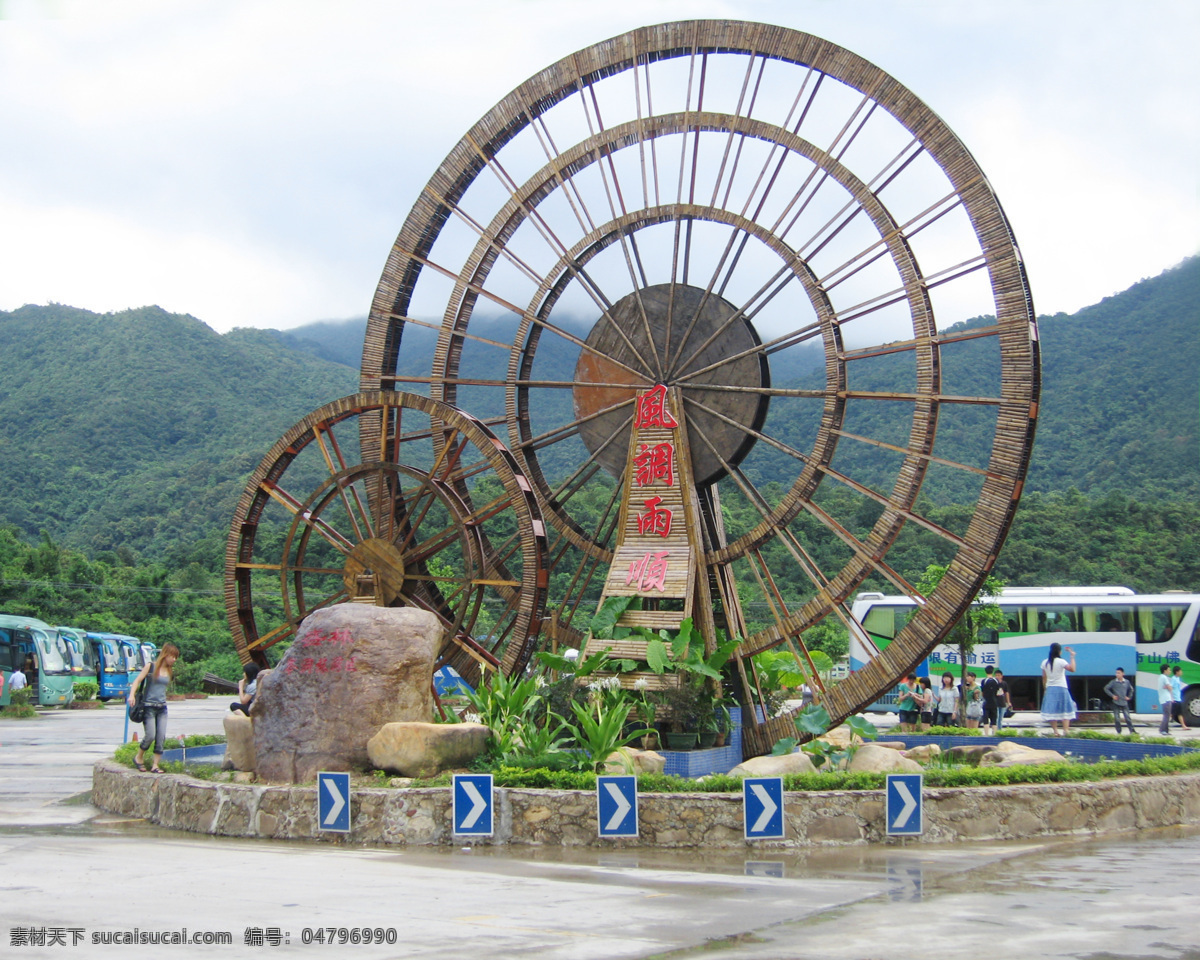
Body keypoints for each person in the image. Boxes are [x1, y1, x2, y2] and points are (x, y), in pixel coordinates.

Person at [128, 642, 180, 773]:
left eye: (175, 657)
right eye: (172, 656)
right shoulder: (151, 667)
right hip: (149, 707)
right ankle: (138, 757)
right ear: (165, 654)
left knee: (161, 736)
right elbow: (138, 680)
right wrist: (132, 695)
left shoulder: (169, 671)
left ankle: (155, 765)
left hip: (162, 707)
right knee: (150, 735)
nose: (174, 660)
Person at [1040, 642, 1077, 736]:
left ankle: (1055, 731)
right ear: (1059, 651)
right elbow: (1072, 669)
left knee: (1052, 710)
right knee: (1065, 709)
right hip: (1061, 687)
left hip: (1050, 688)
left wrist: (1045, 688)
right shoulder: (1061, 661)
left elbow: (1044, 677)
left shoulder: (1045, 662)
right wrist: (1072, 656)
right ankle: (1066, 730)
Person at [1103, 667, 1136, 735]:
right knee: (1117, 719)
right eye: (1116, 673)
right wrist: (1112, 696)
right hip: (1116, 703)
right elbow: (1106, 688)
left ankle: (1132, 731)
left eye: (1119, 673)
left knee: (1127, 718)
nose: (1117, 674)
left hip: (1124, 702)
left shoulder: (1126, 682)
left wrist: (1129, 697)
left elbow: (1131, 689)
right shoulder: (1113, 682)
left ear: (1123, 674)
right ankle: (1119, 732)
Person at [980, 665, 1001, 735]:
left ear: (985, 671)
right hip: (994, 702)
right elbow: (999, 692)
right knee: (994, 719)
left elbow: (982, 692)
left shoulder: (984, 681)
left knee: (985, 719)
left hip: (986, 702)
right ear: (993, 671)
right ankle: (994, 734)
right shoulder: (996, 681)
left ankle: (986, 734)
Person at [1157, 663, 1174, 735]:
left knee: (1166, 714)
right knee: (1167, 715)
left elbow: (1167, 687)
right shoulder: (1164, 677)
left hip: (1163, 699)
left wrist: (1167, 687)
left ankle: (1166, 730)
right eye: (1169, 670)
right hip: (1166, 699)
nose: (1170, 671)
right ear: (1165, 670)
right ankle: (1162, 729)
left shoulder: (1160, 677)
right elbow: (1170, 687)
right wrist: (1168, 687)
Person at [1171, 665, 1189, 730]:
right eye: (1180, 671)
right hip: (1175, 699)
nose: (1181, 672)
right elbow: (1171, 688)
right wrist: (1172, 698)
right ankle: (1165, 726)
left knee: (1179, 713)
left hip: (1178, 699)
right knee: (1172, 713)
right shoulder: (1173, 679)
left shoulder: (1178, 678)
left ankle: (1183, 726)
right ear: (1177, 672)